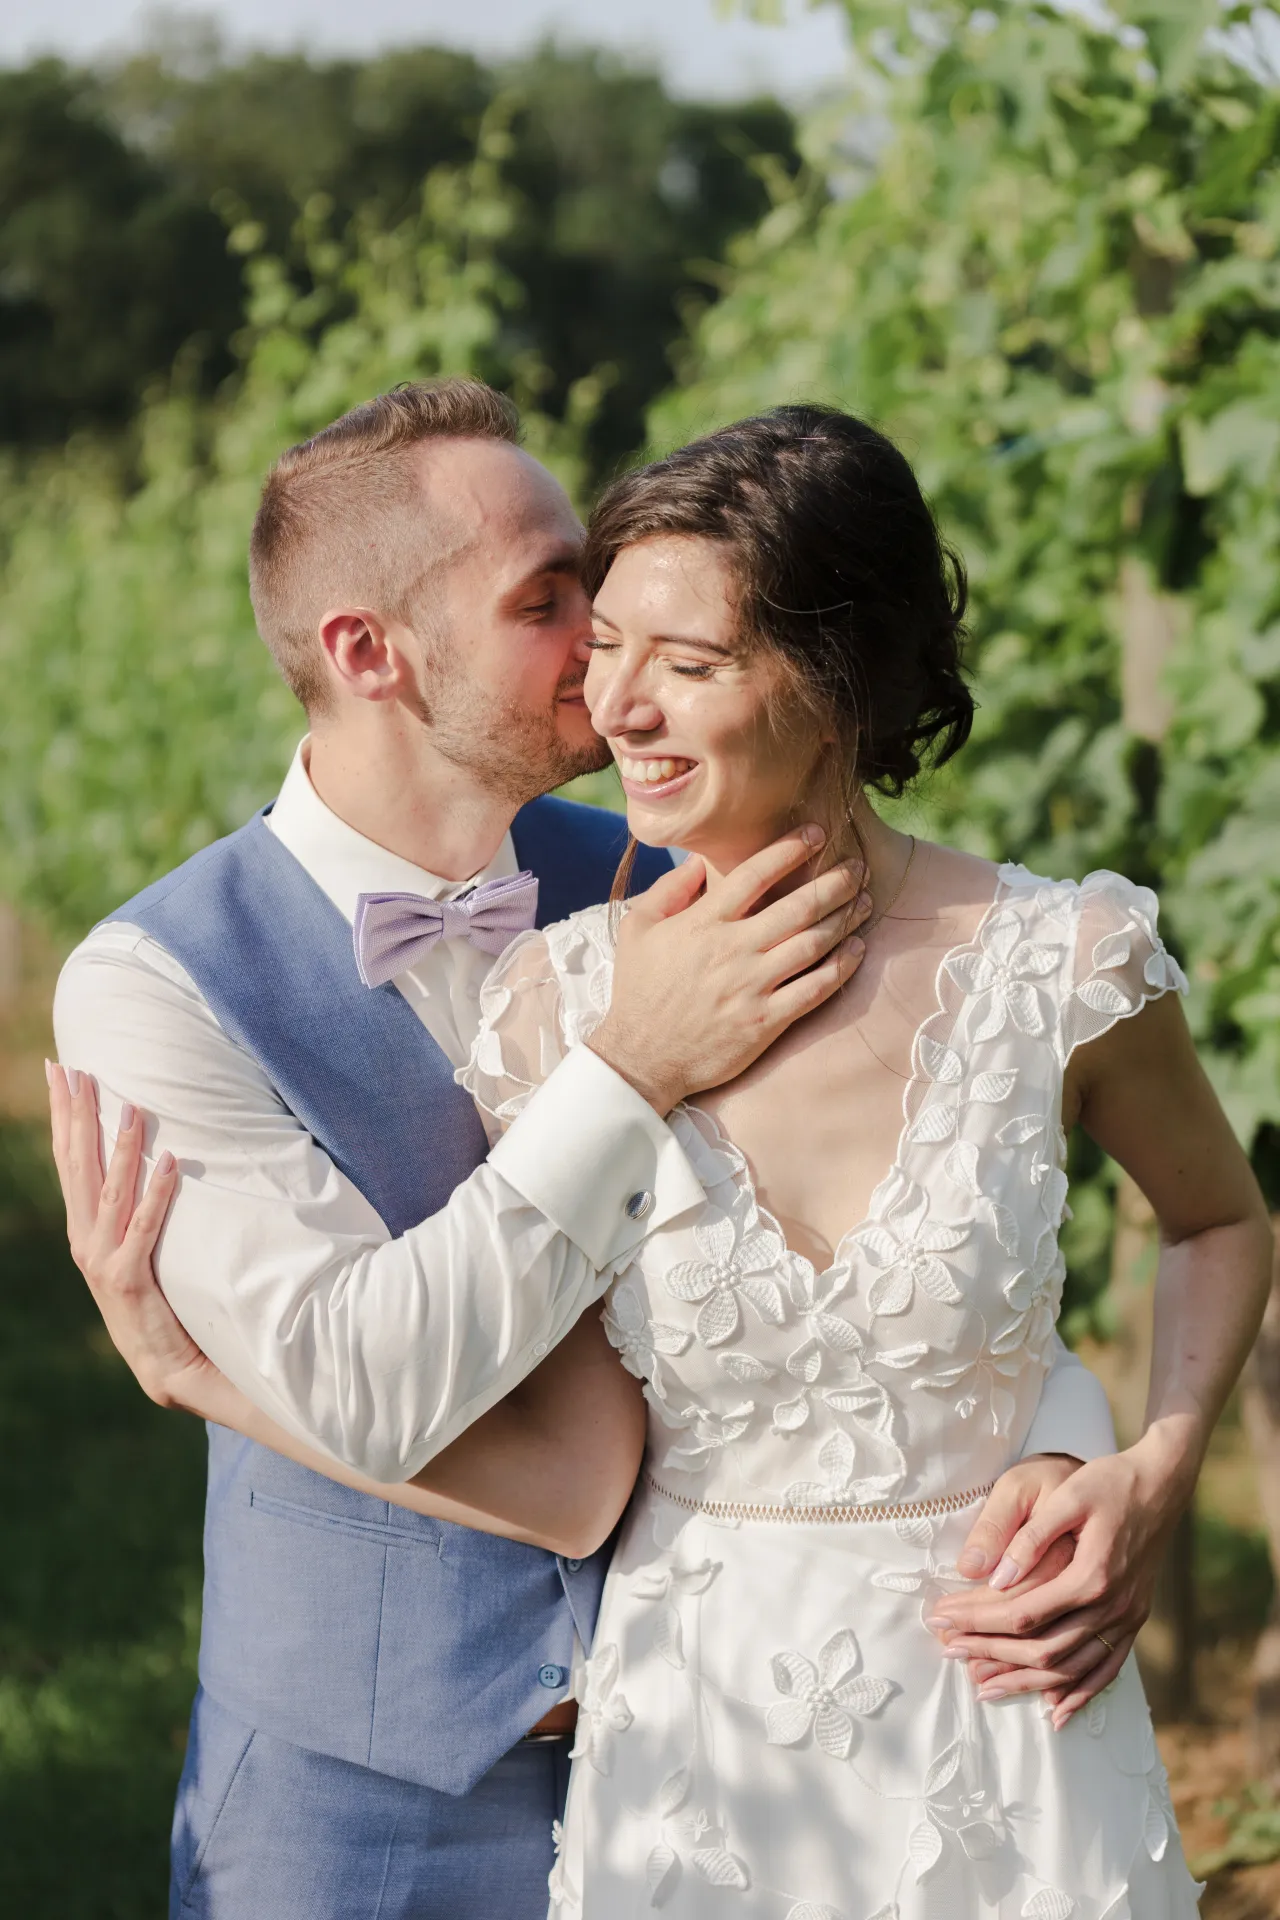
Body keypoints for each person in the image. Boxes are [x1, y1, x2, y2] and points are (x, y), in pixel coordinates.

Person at [51, 389, 1140, 1918]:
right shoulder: (151, 985)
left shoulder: (674, 861)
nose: (606, 648)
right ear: (370, 652)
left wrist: (1065, 1443)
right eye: (549, 600)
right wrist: (630, 1066)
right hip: (365, 1814)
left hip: (738, 1753)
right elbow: (372, 1382)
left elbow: (928, 1217)